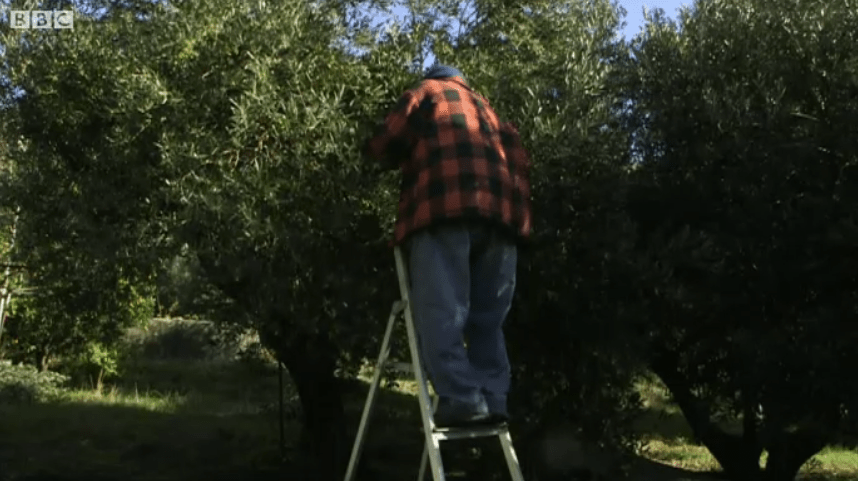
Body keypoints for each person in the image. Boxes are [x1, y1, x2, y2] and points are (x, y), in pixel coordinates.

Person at [362, 64, 532, 428]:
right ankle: (493, 396)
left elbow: (387, 141)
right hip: (500, 222)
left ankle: (461, 398)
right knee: (488, 319)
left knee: (443, 310)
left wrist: (369, 152)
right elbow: (520, 163)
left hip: (445, 212)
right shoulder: (489, 110)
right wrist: (519, 225)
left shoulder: (426, 92)